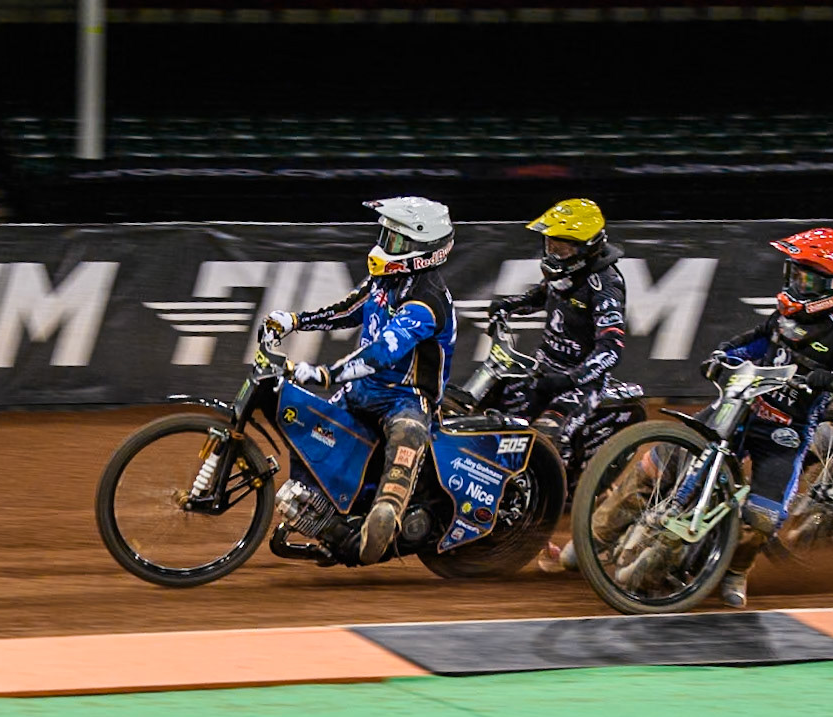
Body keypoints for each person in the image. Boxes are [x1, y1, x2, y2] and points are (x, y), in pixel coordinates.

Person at [590, 228, 833, 607]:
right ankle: (594, 537)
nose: (796, 282)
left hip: (785, 429)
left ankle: (734, 572)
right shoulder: (788, 311)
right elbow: (761, 336)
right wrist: (723, 352)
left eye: (807, 277)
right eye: (794, 272)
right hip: (742, 406)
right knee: (658, 462)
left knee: (764, 516)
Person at [262, 196, 457, 565]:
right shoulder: (386, 279)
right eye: (386, 234)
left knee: (408, 437)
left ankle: (385, 516)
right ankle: (328, 518)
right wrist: (295, 320)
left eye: (395, 240)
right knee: (306, 428)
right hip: (360, 392)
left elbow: (381, 353)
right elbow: (348, 310)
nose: (385, 244)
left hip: (406, 399)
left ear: (422, 249)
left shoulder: (426, 301)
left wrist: (325, 373)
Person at [486, 198, 627, 464]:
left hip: (581, 384)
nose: (552, 253)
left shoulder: (605, 285)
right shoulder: (563, 273)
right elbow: (542, 295)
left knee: (546, 438)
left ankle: (554, 498)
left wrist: (571, 379)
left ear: (587, 248)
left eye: (560, 248)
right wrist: (510, 304)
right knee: (498, 419)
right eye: (549, 244)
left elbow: (611, 349)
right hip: (543, 371)